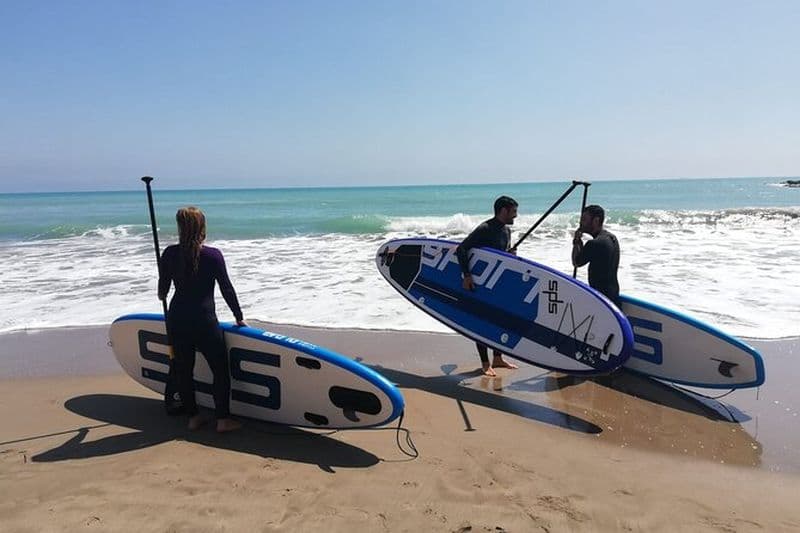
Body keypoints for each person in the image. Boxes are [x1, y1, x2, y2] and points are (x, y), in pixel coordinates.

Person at [158, 206, 247, 433]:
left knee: (184, 370)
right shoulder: (213, 256)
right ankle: (223, 420)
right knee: (220, 369)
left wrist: (163, 282)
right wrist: (239, 317)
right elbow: (227, 288)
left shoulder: (169, 254)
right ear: (202, 227)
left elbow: (162, 292)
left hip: (177, 319)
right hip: (204, 320)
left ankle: (193, 417)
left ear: (180, 227)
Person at [456, 196, 520, 377]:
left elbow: (501, 255)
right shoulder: (485, 229)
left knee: (499, 321)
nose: (516, 215)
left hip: (497, 284)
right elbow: (461, 249)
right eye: (513, 211)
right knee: (482, 322)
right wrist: (467, 275)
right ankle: (485, 363)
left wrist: (510, 255)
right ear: (503, 210)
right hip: (480, 283)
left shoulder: (506, 231)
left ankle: (497, 359)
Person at [571, 204, 621, 306]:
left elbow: (576, 262)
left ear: (596, 221)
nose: (581, 223)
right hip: (613, 297)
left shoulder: (594, 243)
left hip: (600, 300)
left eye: (584, 219)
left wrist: (577, 241)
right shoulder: (612, 238)